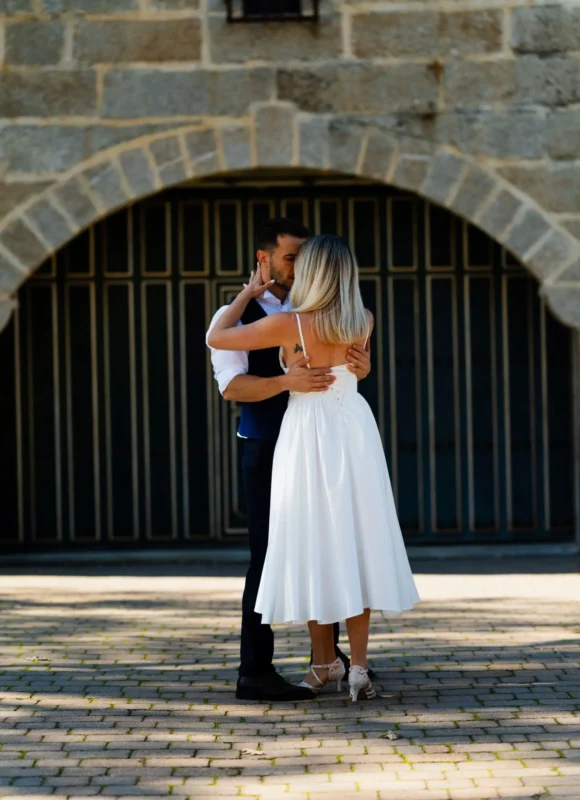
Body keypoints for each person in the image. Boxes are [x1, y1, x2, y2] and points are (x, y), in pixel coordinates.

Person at [208, 234, 420, 703]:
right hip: (355, 431)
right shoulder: (363, 320)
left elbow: (216, 337)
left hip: (308, 434)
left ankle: (323, 663)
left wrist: (245, 293)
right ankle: (357, 667)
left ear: (315, 273)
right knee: (358, 541)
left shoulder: (291, 323)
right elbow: (353, 372)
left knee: (314, 542)